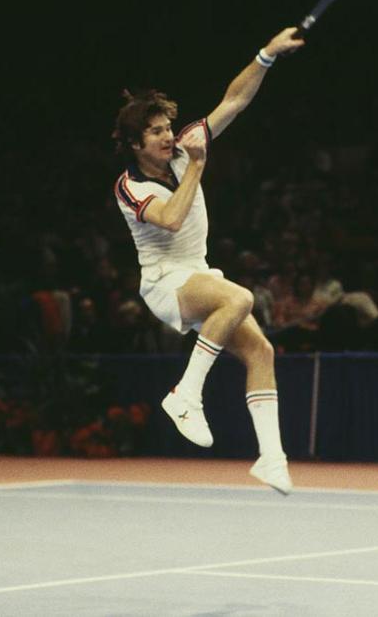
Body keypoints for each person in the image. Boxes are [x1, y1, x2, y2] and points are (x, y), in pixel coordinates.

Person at [112, 27, 304, 493]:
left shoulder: (183, 146)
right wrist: (197, 165)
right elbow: (173, 219)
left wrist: (266, 54)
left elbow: (234, 100)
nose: (165, 136)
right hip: (165, 284)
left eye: (164, 128)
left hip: (197, 273)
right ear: (136, 144)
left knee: (261, 350)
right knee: (239, 298)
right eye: (154, 131)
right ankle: (185, 394)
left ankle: (271, 458)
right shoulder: (130, 186)